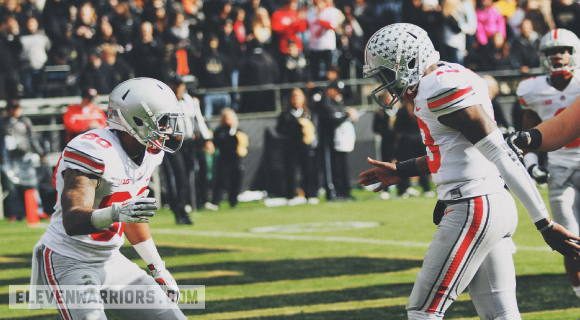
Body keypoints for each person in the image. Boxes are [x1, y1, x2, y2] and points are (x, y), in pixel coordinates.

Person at [358, 23, 580, 320]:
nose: (386, 82)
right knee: (501, 314)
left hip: (473, 205)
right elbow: (455, 153)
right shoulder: (448, 75)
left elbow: (502, 152)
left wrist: (544, 224)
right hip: (490, 201)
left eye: (387, 72)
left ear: (408, 60)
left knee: (423, 311)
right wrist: (402, 170)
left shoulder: (438, 88)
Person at [29, 77, 187, 319]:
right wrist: (115, 213)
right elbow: (73, 221)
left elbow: (133, 215)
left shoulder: (150, 153)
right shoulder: (94, 150)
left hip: (111, 259)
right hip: (70, 259)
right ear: (136, 119)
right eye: (163, 121)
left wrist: (158, 268)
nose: (168, 129)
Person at [510, 28, 580, 303]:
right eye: (552, 52)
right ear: (542, 57)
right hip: (560, 170)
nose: (558, 57)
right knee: (569, 237)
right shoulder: (532, 89)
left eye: (564, 51)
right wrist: (531, 164)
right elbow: (529, 131)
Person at [0, 99, 46, 221]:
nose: (16, 110)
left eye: (18, 108)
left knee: (32, 184)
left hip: (25, 157)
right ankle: (16, 213)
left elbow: (33, 139)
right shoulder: (2, 122)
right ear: (8, 110)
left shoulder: (25, 121)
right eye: (14, 108)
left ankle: (38, 210)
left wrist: (41, 153)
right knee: (11, 188)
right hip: (9, 159)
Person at [316, 80, 358, 201]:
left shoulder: (337, 103)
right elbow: (333, 119)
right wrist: (347, 115)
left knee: (343, 167)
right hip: (329, 140)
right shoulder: (324, 102)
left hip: (340, 140)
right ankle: (333, 192)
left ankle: (345, 191)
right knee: (331, 168)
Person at [276, 88, 318, 205]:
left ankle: (310, 194)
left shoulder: (307, 114)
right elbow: (279, 130)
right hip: (291, 147)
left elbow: (313, 129)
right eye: (294, 98)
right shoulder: (285, 115)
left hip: (305, 146)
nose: (296, 100)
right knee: (290, 171)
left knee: (308, 170)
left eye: (299, 97)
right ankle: (291, 195)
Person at [211, 108, 248, 209]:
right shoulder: (220, 131)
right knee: (220, 181)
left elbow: (243, 146)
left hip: (235, 159)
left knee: (235, 180)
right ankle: (216, 201)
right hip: (223, 159)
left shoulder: (238, 131)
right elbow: (217, 143)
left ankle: (233, 201)